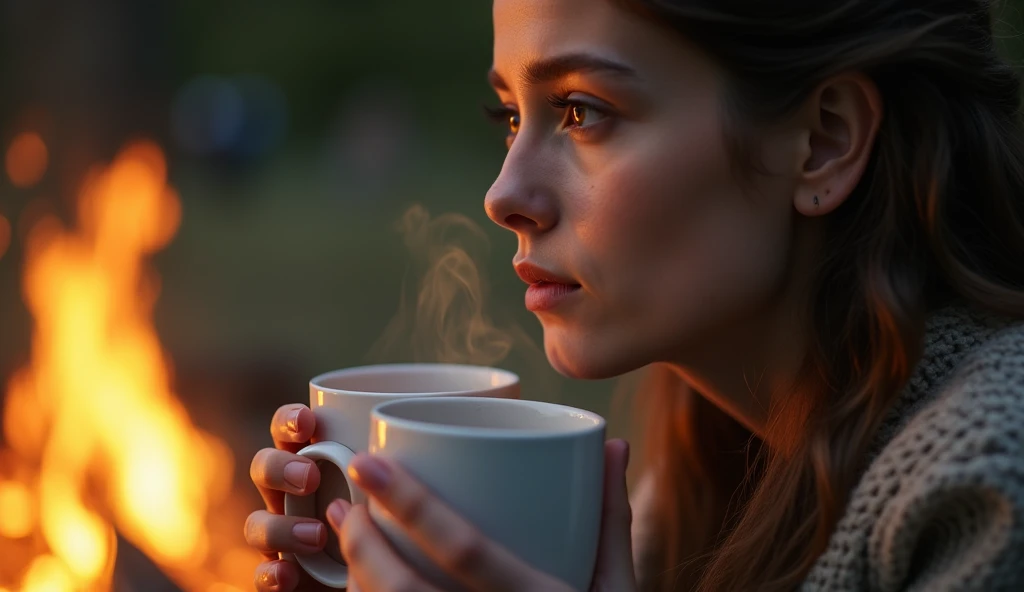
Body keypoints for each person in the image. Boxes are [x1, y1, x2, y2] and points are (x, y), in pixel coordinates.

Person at [243, 0, 1024, 590]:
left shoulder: (986, 489)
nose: (503, 193)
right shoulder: (692, 478)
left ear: (823, 141)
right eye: (511, 115)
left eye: (582, 112)